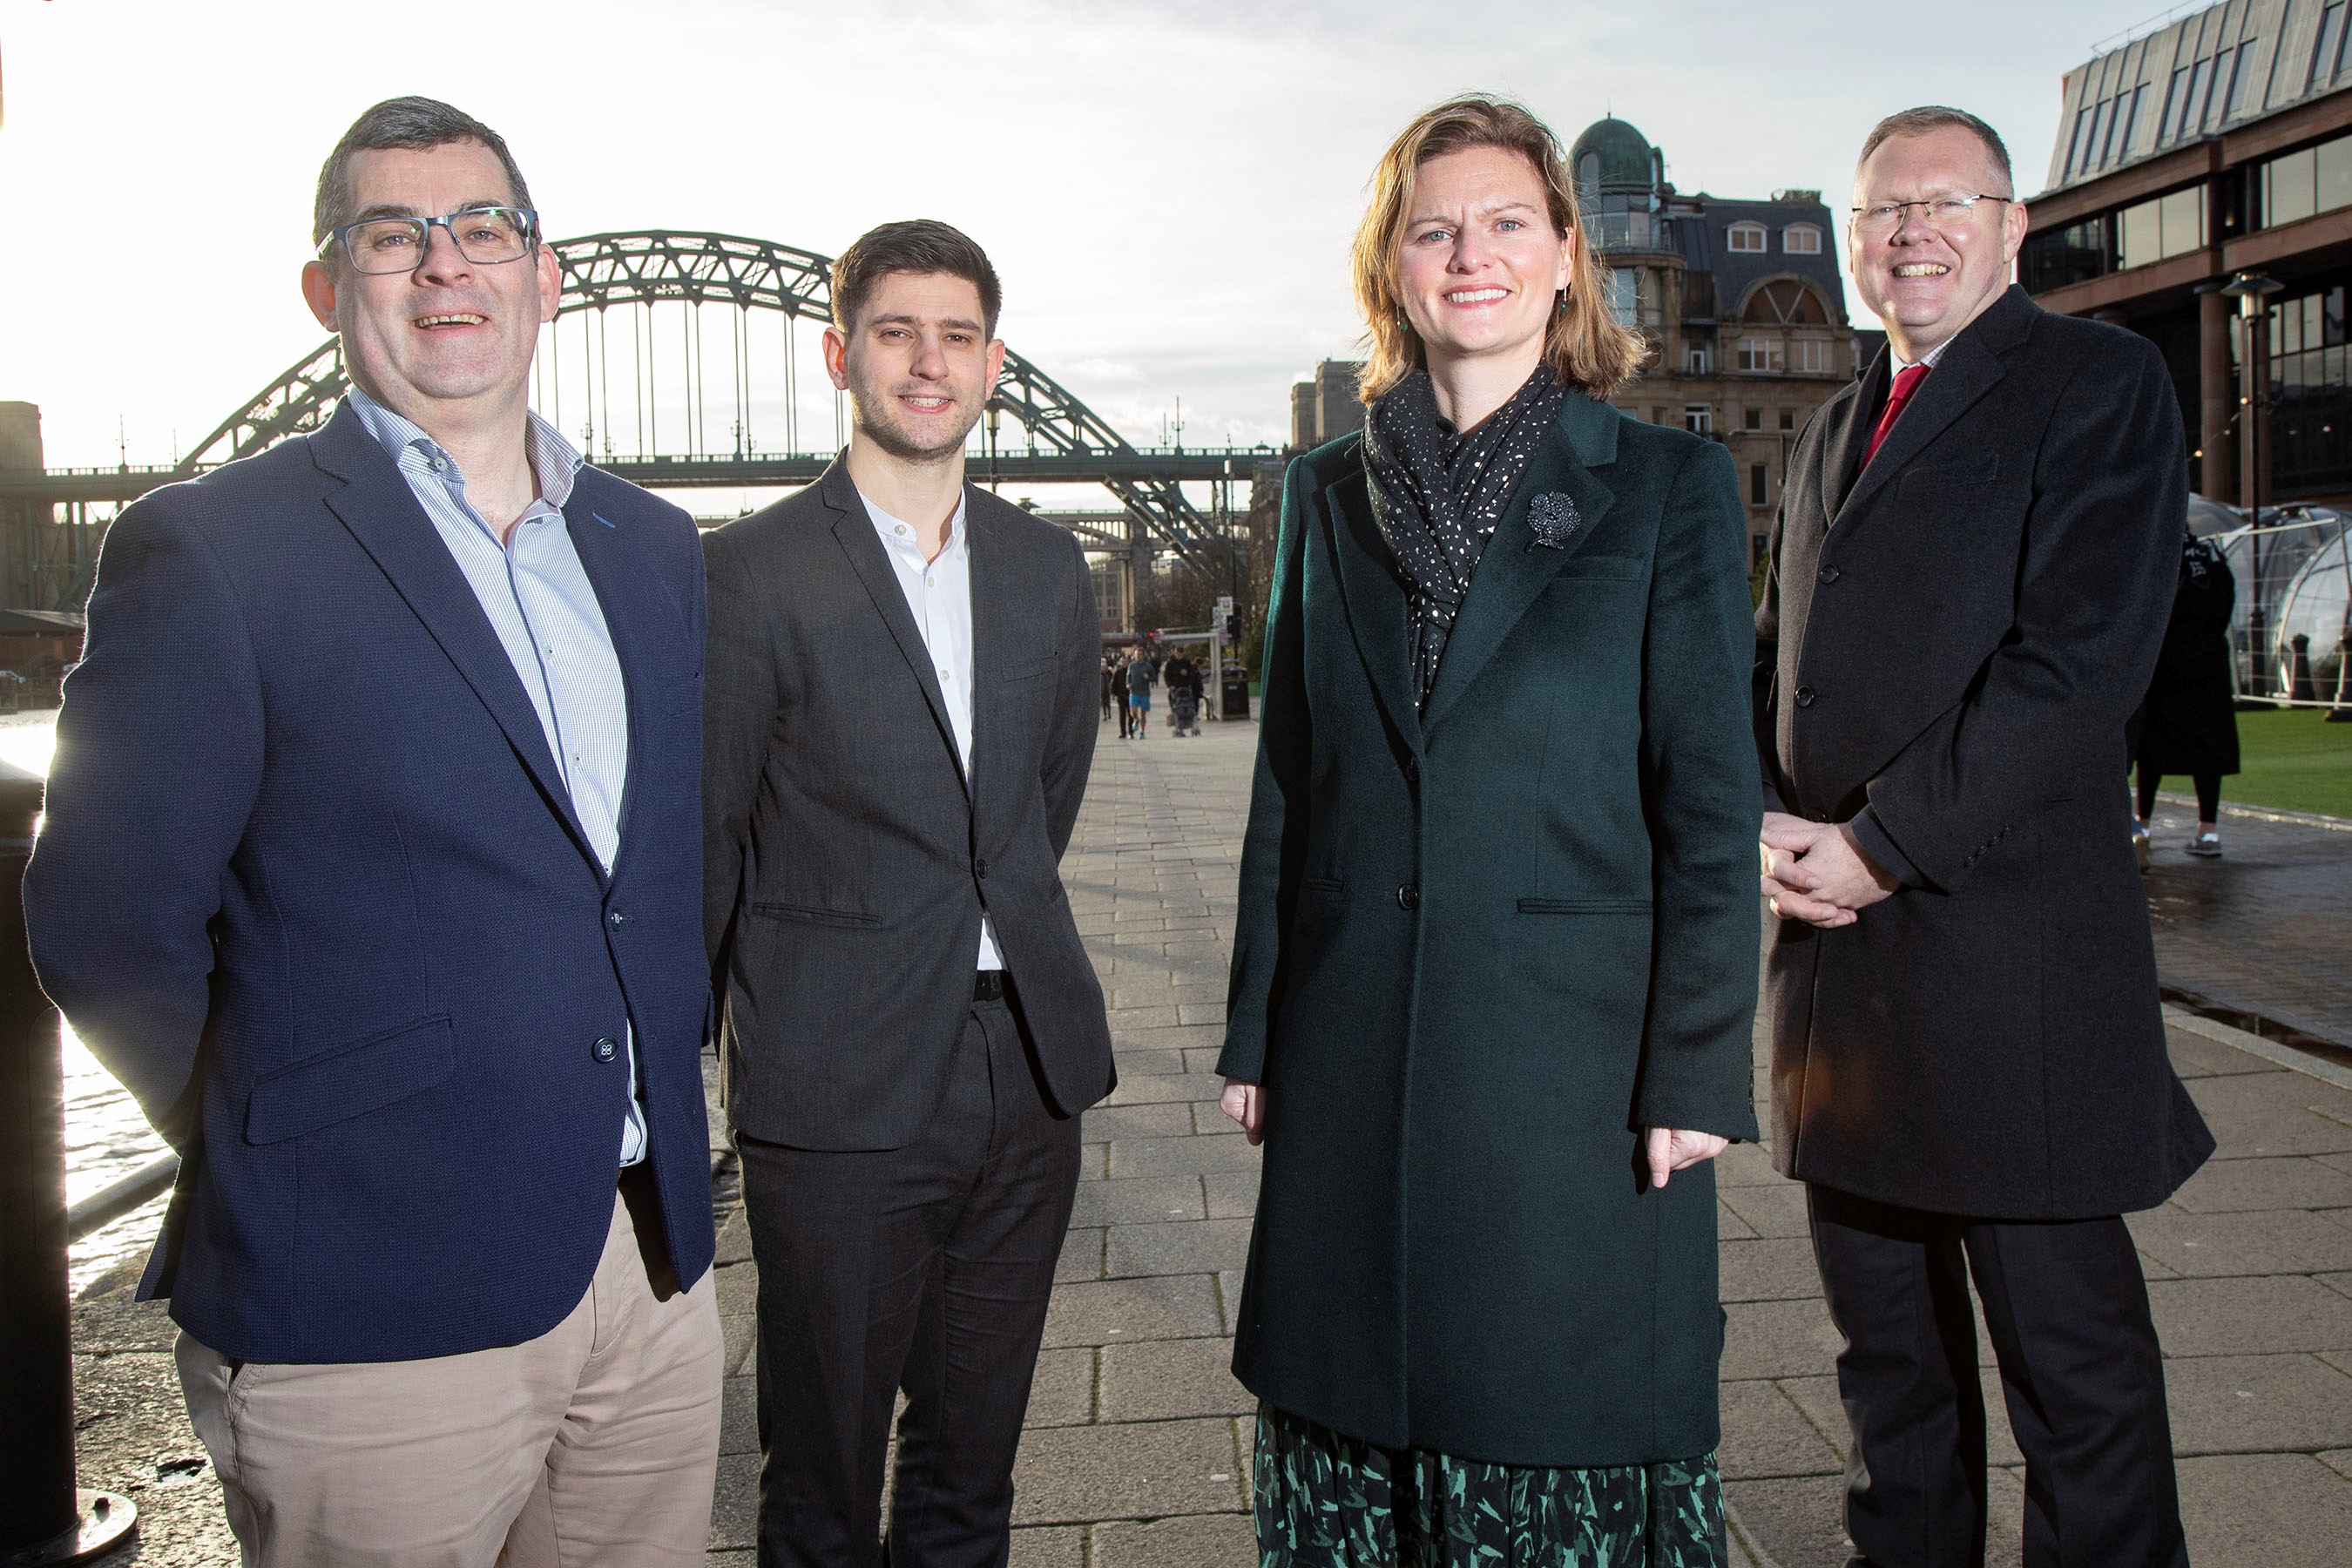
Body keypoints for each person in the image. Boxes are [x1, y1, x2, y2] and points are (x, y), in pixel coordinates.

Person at [23, 97, 722, 1565]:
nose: (445, 264)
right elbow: (102, 924)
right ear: (325, 288)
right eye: (392, 235)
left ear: (546, 274)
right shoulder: (213, 548)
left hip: (644, 1272)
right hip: (369, 1297)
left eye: (483, 228)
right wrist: (283, 1142)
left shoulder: (651, 547)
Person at [1218, 95, 1760, 1566]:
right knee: (1349, 1405)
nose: (1473, 255)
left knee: (1560, 1415)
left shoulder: (1668, 485)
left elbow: (1712, 807)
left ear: (1568, 256)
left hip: (1576, 1071)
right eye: (1436, 229)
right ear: (1391, 268)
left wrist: (1698, 1065)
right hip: (1353, 1042)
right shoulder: (1323, 493)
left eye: (1509, 222)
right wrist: (1258, 1030)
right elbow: (1293, 780)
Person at [1753, 106, 2212, 1568]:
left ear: (2014, 227)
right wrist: (1758, 822)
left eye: (1948, 202)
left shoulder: (2098, 383)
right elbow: (1778, 662)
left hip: (2012, 969)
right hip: (1841, 977)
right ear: (1856, 241)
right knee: (1888, 1369)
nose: (1914, 232)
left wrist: (1882, 842)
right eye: (1886, 209)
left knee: (2072, 1374)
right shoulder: (1836, 423)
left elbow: (2077, 667)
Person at [702, 220, 1115, 1568]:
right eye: (896, 332)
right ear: (841, 356)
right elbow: (711, 838)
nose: (929, 362)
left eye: (957, 336)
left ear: (993, 364)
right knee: (821, 1488)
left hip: (1027, 1072)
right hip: (835, 1085)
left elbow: (1036, 807)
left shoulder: (1048, 567)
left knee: (970, 1475)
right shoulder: (748, 572)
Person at [2133, 524, 2240, 861]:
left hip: (2166, 658)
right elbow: (2227, 604)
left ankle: (2142, 826)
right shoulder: (2212, 556)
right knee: (2208, 746)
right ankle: (2208, 831)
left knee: (2152, 744)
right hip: (2210, 661)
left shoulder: (2160, 554)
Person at [1127, 645, 1154, 736]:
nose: (1138, 656)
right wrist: (1128, 684)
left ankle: (1142, 732)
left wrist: (1148, 678)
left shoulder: (1148, 666)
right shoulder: (1132, 665)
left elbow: (1154, 677)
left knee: (1143, 714)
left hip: (1144, 693)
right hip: (1134, 692)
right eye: (1136, 655)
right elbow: (1128, 676)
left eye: (1140, 655)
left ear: (1143, 656)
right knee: (1133, 712)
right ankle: (1136, 719)